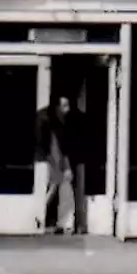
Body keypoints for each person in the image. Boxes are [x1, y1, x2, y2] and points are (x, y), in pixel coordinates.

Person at [35, 94, 86, 235]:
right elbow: (59, 148)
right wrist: (65, 167)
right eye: (64, 105)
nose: (67, 109)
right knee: (54, 191)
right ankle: (43, 218)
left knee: (55, 191)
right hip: (53, 162)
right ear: (57, 107)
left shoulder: (56, 122)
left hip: (53, 162)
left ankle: (49, 220)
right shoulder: (54, 124)